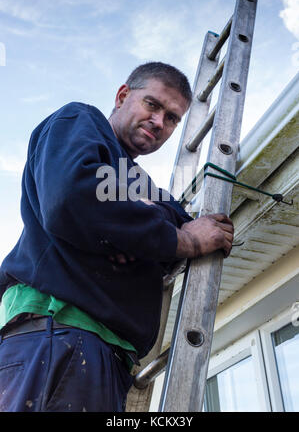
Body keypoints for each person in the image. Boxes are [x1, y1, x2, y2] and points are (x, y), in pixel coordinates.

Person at [0, 62, 234, 412]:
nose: (159, 122)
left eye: (172, 118)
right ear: (123, 95)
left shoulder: (137, 181)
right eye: (152, 105)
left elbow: (175, 220)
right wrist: (181, 240)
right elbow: (72, 197)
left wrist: (133, 225)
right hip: (60, 337)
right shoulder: (81, 121)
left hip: (99, 357)